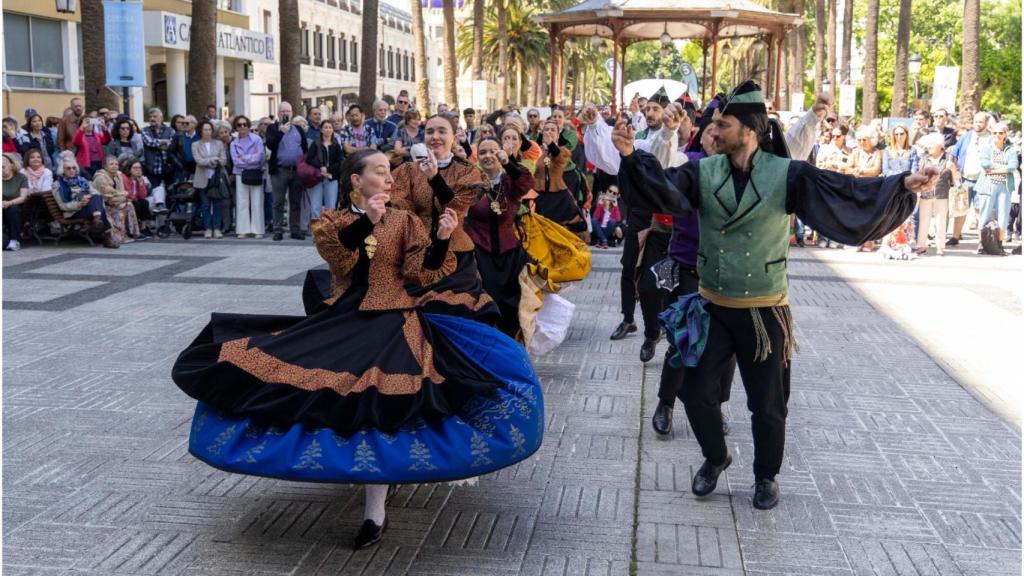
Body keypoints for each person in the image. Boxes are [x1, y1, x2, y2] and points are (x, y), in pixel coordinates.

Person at [171, 149, 543, 549]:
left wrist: (438, 239)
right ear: (356, 181)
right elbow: (339, 256)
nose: (389, 178)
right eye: (380, 172)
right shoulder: (334, 220)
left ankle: (374, 512)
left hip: (396, 322)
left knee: (382, 406)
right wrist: (368, 220)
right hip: (343, 320)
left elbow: (423, 272)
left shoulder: (405, 221)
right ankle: (335, 474)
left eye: (389, 172)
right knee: (312, 389)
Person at [613, 80, 935, 510]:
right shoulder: (701, 171)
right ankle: (716, 457)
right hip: (711, 306)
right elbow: (664, 189)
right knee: (694, 394)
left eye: (723, 124)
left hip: (764, 312)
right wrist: (632, 156)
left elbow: (844, 190)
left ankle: (766, 476)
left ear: (748, 130)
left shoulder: (788, 174)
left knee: (768, 406)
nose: (714, 131)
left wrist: (902, 185)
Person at [389, 114, 499, 322]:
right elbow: (398, 208)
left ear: (454, 137)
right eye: (430, 132)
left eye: (442, 131)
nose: (435, 137)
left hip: (456, 255)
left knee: (456, 310)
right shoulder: (408, 171)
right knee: (412, 313)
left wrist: (434, 177)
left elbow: (455, 204)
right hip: (417, 254)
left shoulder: (467, 171)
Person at [468, 137, 535, 338]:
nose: (488, 156)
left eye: (493, 151)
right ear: (477, 157)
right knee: (484, 304)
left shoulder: (510, 180)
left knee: (512, 309)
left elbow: (525, 183)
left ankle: (511, 351)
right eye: (483, 152)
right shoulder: (472, 183)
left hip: (510, 255)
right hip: (480, 254)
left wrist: (508, 162)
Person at [533, 119, 586, 234]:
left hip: (558, 197)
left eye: (553, 130)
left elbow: (559, 158)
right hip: (539, 196)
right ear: (542, 134)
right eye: (546, 129)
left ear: (558, 135)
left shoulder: (563, 151)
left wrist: (551, 144)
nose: (549, 132)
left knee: (559, 231)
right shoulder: (535, 152)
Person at [265, 101, 308, 241]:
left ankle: (295, 230)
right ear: (278, 113)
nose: (285, 113)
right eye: (282, 111)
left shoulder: (298, 129)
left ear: (292, 113)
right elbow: (270, 145)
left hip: (296, 171)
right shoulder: (272, 128)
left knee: (295, 202)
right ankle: (278, 230)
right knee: (278, 202)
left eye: (287, 111)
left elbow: (305, 149)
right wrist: (280, 132)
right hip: (279, 171)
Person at [54, 152, 116, 248]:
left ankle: (97, 219)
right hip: (73, 212)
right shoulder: (58, 185)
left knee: (96, 196)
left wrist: (87, 198)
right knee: (98, 207)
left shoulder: (82, 180)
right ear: (62, 170)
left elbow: (96, 193)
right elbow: (62, 206)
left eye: (74, 168)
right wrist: (79, 204)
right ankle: (107, 237)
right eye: (68, 168)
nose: (72, 170)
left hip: (89, 208)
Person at [949, 112, 992, 246]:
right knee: (960, 209)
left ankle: (982, 240)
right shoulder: (966, 137)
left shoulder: (991, 138)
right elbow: (953, 155)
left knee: (981, 211)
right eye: (975, 121)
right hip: (965, 179)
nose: (977, 124)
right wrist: (955, 173)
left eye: (980, 122)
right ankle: (955, 238)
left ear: (986, 123)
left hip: (983, 180)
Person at [913, 133, 958, 256]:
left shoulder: (949, 158)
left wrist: (953, 170)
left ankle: (940, 247)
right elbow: (919, 176)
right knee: (924, 220)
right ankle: (921, 245)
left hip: (942, 194)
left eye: (932, 144)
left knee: (940, 221)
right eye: (928, 145)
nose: (929, 147)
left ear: (939, 145)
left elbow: (957, 180)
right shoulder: (923, 159)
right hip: (925, 194)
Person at [975, 121, 1019, 246]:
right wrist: (1003, 168)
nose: (997, 135)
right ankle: (982, 244)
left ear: (1005, 134)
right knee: (984, 216)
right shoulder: (986, 149)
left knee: (1003, 216)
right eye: (995, 132)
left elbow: (1013, 166)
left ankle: (999, 244)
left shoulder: (1010, 150)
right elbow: (985, 164)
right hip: (987, 187)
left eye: (1001, 133)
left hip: (1004, 188)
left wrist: (994, 170)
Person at [230, 115, 266, 239]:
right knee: (242, 202)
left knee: (257, 202)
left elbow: (260, 157)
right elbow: (236, 161)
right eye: (239, 125)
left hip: (255, 173)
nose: (242, 127)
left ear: (248, 125)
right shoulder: (233, 143)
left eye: (244, 124)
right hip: (240, 174)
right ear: (236, 127)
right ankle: (242, 229)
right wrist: (251, 157)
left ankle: (258, 230)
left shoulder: (257, 139)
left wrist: (244, 157)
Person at [92, 155, 141, 244]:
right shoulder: (100, 177)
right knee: (120, 209)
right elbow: (107, 197)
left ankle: (130, 233)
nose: (114, 166)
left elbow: (123, 193)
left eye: (116, 164)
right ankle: (118, 236)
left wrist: (122, 197)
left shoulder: (117, 175)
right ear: (105, 166)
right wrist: (121, 196)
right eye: (111, 164)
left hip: (115, 203)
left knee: (129, 205)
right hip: (103, 206)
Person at [192, 120, 228, 239]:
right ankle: (207, 228)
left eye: (209, 129)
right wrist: (213, 159)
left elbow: (223, 161)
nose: (207, 132)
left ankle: (216, 228)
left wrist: (209, 161)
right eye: (205, 129)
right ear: (200, 131)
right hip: (203, 178)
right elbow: (198, 161)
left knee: (217, 204)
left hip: (216, 179)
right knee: (206, 205)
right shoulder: (195, 145)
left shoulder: (219, 144)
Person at [304, 119, 343, 219]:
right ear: (321, 130)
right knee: (315, 207)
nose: (328, 129)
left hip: (331, 178)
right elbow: (309, 159)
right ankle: (316, 233)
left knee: (331, 208)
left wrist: (328, 169)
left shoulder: (336, 146)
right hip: (317, 178)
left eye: (330, 127)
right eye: (326, 127)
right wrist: (320, 167)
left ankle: (328, 232)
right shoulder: (316, 144)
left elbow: (340, 163)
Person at [140, 108, 177, 194]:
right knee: (152, 193)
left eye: (155, 116)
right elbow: (149, 142)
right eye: (150, 117)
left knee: (171, 194)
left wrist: (156, 144)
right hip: (152, 169)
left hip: (168, 168)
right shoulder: (145, 130)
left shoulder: (171, 130)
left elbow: (171, 145)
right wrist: (164, 141)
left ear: (161, 118)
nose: (152, 118)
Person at [121, 158, 155, 237]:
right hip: (125, 199)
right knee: (136, 203)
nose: (138, 170)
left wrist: (140, 183)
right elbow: (129, 194)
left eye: (139, 168)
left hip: (134, 199)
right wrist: (135, 198)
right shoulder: (124, 178)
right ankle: (134, 229)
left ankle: (143, 227)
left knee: (144, 202)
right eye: (135, 168)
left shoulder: (139, 178)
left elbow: (143, 195)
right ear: (129, 169)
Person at [2, 153, 29, 251]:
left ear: (11, 165)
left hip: (17, 210)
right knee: (3, 243)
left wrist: (9, 203)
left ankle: (15, 240)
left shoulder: (21, 177)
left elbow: (23, 197)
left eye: (3, 167)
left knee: (13, 209)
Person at [170, 116, 200, 182]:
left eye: (186, 123)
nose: (184, 125)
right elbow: (171, 152)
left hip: (198, 170)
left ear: (194, 125)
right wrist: (179, 165)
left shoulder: (199, 136)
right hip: (182, 170)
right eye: (183, 123)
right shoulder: (178, 136)